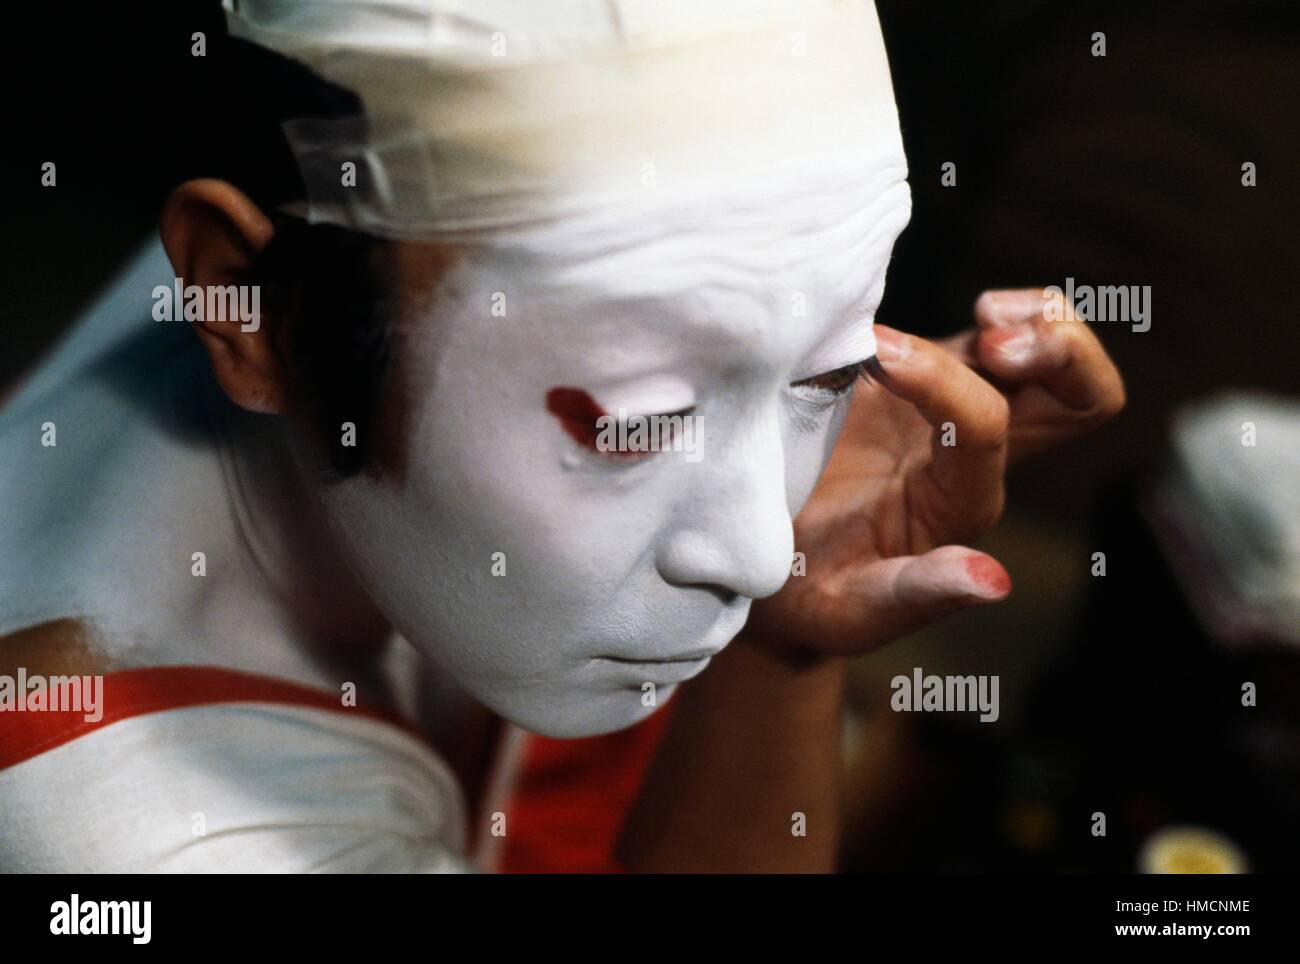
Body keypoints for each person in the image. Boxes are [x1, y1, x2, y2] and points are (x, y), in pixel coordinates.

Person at [0, 0, 1122, 872]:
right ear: (249, 310)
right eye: (635, 423)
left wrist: (788, 638)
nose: (755, 545)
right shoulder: (140, 834)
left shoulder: (335, 211)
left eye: (825, 369)